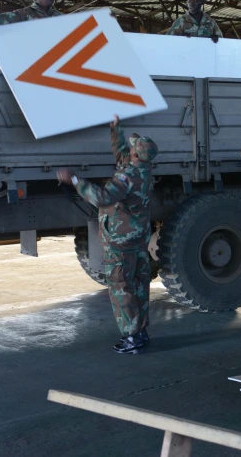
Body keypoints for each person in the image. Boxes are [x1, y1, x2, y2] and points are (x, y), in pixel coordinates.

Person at [57, 116, 157, 354]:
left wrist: (74, 179)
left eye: (133, 147)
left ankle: (132, 338)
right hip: (138, 238)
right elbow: (123, 154)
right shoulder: (143, 171)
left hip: (120, 242)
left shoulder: (126, 178)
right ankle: (141, 332)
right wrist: (115, 129)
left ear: (136, 155)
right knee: (139, 286)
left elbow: (102, 198)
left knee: (121, 288)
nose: (130, 149)